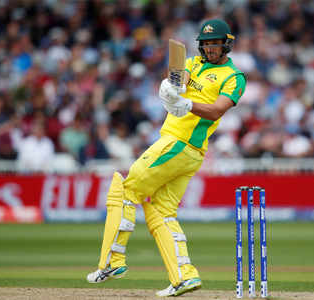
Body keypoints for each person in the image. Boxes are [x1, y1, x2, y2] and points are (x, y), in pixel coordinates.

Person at [86, 19, 246, 297]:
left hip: (181, 144)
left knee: (125, 190)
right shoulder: (194, 64)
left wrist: (187, 104)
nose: (209, 48)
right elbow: (179, 78)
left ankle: (113, 261)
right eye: (206, 43)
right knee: (161, 210)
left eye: (215, 43)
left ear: (226, 45)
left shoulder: (234, 77)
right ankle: (184, 276)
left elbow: (218, 110)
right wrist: (170, 88)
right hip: (183, 150)